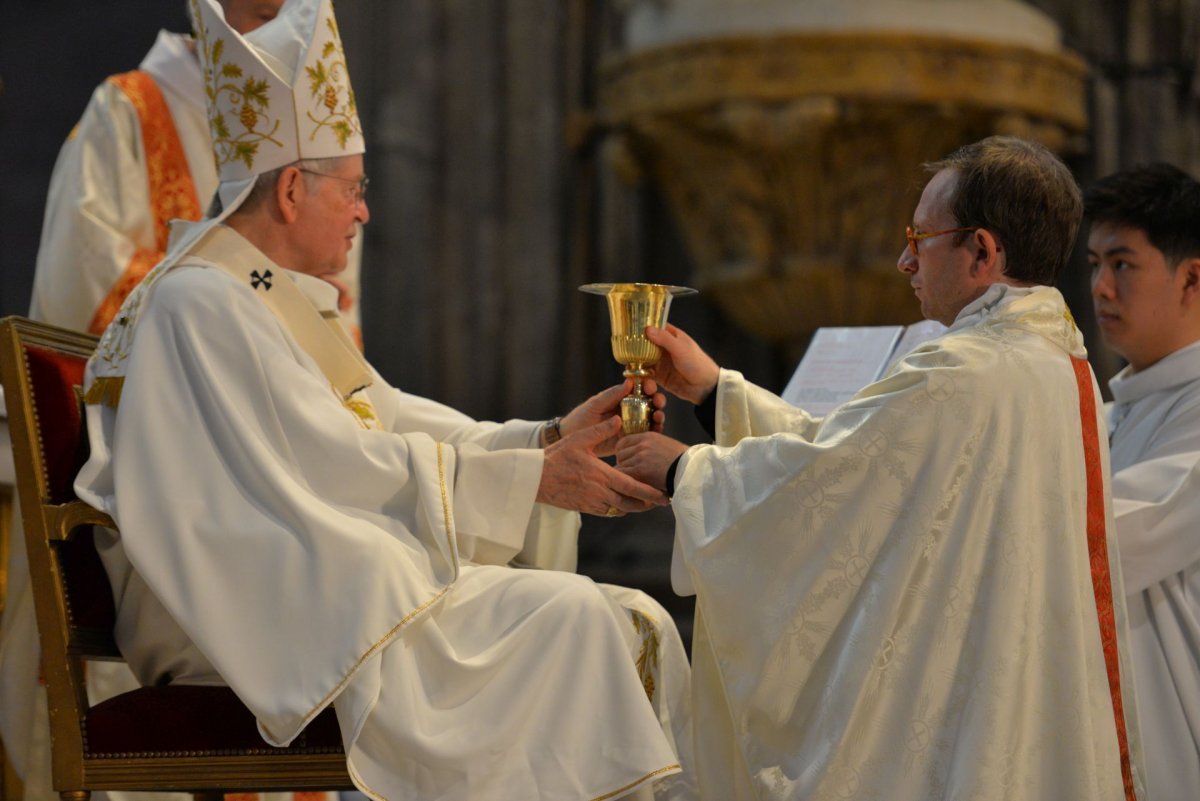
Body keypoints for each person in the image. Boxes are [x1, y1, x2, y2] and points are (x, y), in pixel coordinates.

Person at [72, 2, 694, 800]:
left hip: (297, 581)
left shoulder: (262, 293)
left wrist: (542, 441)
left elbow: (383, 419)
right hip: (232, 612)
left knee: (621, 617)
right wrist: (531, 481)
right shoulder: (199, 301)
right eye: (355, 188)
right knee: (570, 620)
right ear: (293, 188)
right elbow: (332, 463)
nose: (365, 210)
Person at [615, 136, 1146, 800]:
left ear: (981, 251)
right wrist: (718, 390)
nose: (903, 261)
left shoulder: (964, 371)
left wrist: (685, 471)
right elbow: (847, 456)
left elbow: (825, 482)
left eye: (919, 238)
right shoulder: (1060, 363)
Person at [1, 5, 358, 801]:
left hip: (283, 504)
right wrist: (243, 318)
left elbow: (334, 323)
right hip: (170, 513)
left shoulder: (314, 136)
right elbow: (88, 292)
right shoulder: (131, 109)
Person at [1085, 163, 1200, 801]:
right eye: (1095, 263)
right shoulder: (1115, 410)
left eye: (1122, 265)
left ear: (1192, 278)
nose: (1100, 287)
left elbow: (1119, 535)